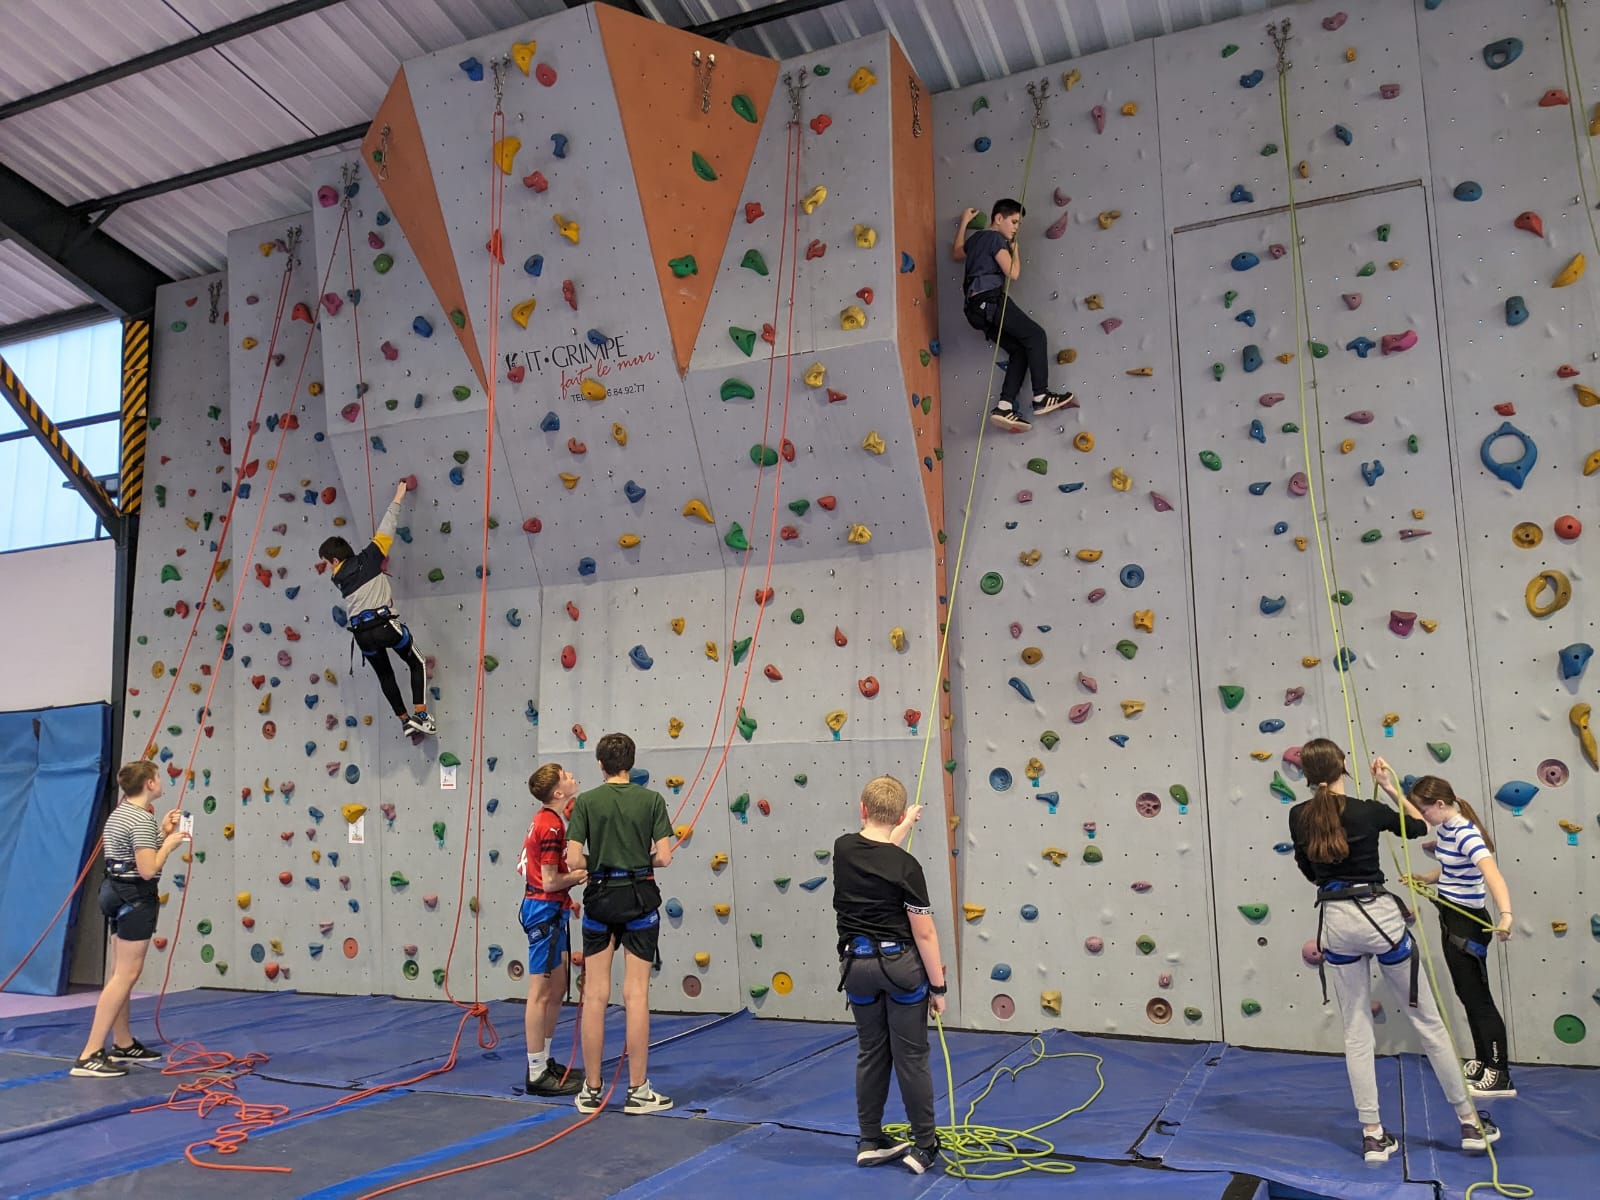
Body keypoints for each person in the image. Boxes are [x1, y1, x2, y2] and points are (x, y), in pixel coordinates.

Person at [1288, 741, 1500, 1164]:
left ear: (1310, 775)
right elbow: (1420, 826)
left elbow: (1307, 866)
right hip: (1378, 918)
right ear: (1342, 767)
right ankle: (1469, 1122)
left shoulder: (1298, 815)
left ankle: (1372, 1133)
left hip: (1336, 921)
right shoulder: (1368, 810)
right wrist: (1388, 787)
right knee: (1428, 1022)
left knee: (1355, 1028)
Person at [832, 775, 948, 1175]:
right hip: (900, 969)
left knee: (871, 1051)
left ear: (862, 809)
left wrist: (902, 826)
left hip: (857, 968)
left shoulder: (843, 849)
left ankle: (870, 1138)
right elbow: (925, 932)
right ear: (898, 813)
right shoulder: (908, 867)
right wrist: (938, 986)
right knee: (911, 1056)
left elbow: (875, 852)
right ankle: (924, 1144)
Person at [564, 733, 673, 1115]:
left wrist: (602, 861)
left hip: (599, 902)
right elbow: (664, 859)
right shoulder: (652, 800)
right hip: (639, 900)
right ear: (631, 762)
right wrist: (636, 857)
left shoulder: (587, 803)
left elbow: (574, 860)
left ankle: (592, 1089)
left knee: (595, 995)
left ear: (600, 765)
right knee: (636, 994)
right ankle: (638, 1090)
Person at [1396, 773, 1516, 1099]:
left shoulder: (1466, 833)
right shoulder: (1447, 828)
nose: (1424, 819)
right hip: (1451, 919)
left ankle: (1499, 1072)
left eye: (1426, 811)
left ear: (1439, 804)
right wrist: (1426, 877)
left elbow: (1492, 874)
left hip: (1468, 925)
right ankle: (1482, 1061)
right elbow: (1452, 869)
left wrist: (1506, 915)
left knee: (1479, 1000)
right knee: (1467, 996)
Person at [72, 760, 187, 1078]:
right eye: (158, 777)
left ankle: (122, 1042)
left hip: (115, 893)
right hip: (135, 897)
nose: (161, 781)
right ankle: (90, 1053)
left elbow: (131, 855)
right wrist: (169, 843)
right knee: (126, 975)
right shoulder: (139, 819)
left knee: (119, 974)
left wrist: (160, 833)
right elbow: (149, 869)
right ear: (149, 783)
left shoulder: (121, 813)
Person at [319, 479, 435, 738]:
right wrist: (398, 496)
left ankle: (405, 720)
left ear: (336, 561)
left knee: (385, 675)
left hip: (361, 635)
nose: (328, 567)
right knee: (416, 661)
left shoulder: (339, 578)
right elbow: (387, 527)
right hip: (383, 626)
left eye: (327, 562)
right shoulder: (370, 558)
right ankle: (422, 716)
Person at [951, 198, 1075, 432]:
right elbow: (1013, 273)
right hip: (991, 300)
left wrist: (964, 222)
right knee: (1036, 336)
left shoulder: (976, 239)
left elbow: (957, 253)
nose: (1016, 227)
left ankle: (1004, 406)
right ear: (998, 219)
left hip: (975, 310)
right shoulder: (995, 239)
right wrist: (1015, 251)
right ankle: (1041, 396)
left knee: (1019, 350)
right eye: (1014, 221)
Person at [518, 763, 588, 1097]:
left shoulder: (551, 821)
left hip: (553, 907)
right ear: (559, 793)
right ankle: (535, 1070)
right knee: (541, 992)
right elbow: (548, 880)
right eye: (566, 777)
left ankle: (544, 1059)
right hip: (543, 909)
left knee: (558, 986)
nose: (573, 777)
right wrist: (575, 878)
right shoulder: (551, 827)